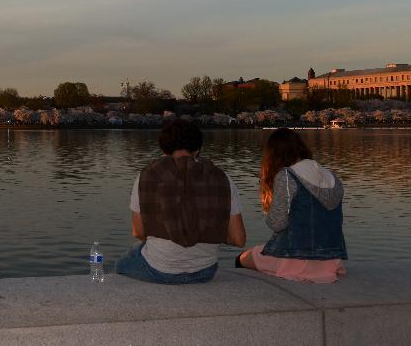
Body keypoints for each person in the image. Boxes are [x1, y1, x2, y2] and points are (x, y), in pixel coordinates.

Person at [116, 119, 246, 284]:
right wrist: (209, 233)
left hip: (160, 271)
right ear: (198, 149)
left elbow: (139, 232)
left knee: (123, 261)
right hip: (205, 272)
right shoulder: (223, 178)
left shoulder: (147, 176)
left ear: (163, 149)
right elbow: (238, 239)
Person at [236, 128, 347, 283]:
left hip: (296, 257)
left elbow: (277, 224)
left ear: (273, 155)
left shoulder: (287, 177)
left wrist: (268, 205)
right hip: (331, 259)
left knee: (242, 258)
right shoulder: (332, 176)